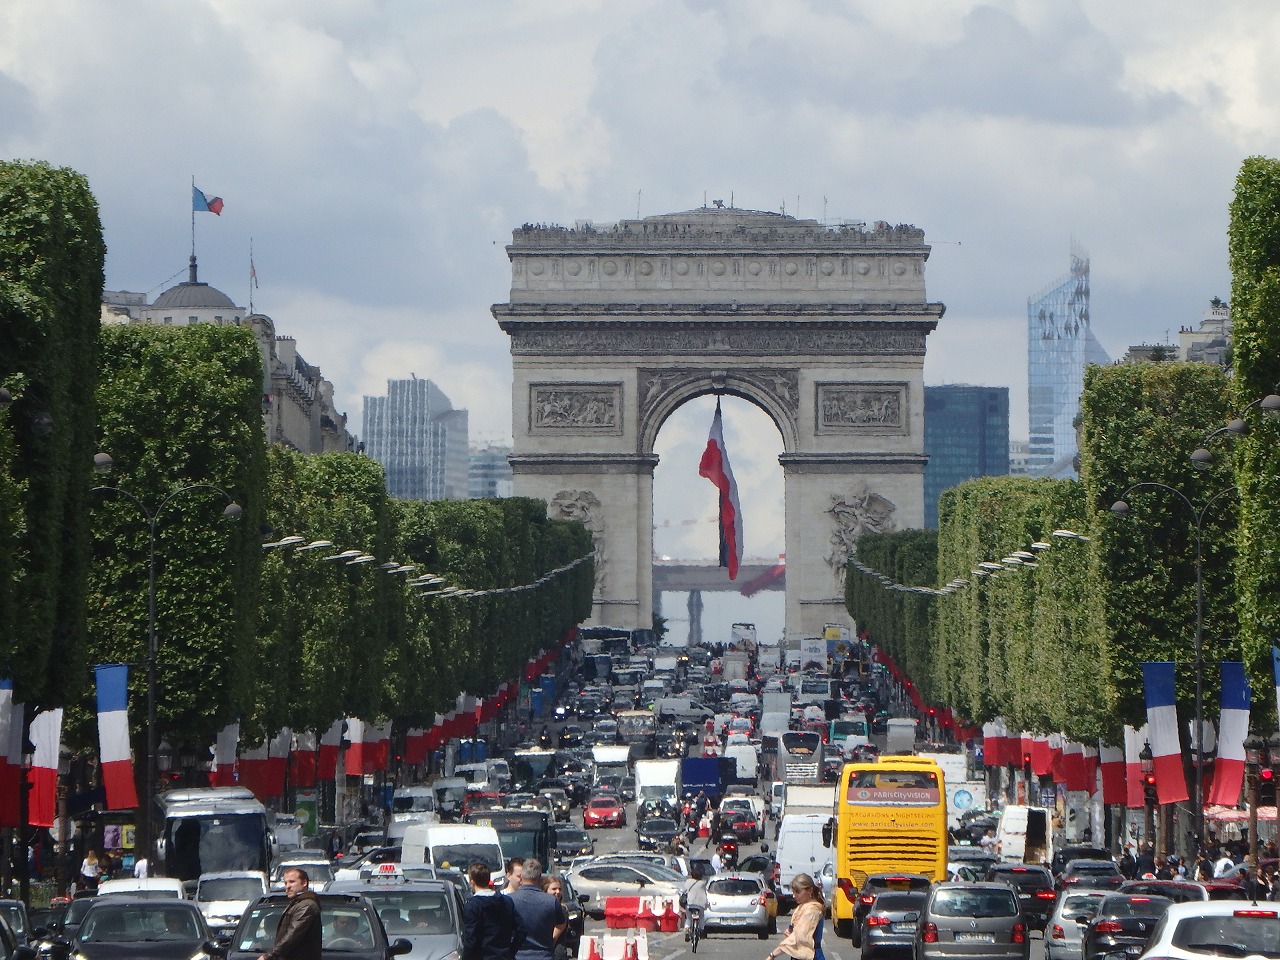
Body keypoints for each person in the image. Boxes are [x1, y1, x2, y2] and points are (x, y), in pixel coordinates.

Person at [462, 861, 525, 960]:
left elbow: (471, 939)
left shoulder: (472, 906)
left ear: (472, 882)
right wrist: (510, 952)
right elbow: (521, 931)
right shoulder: (507, 901)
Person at [258, 867, 321, 960]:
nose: (287, 886)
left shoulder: (307, 906)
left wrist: (268, 956)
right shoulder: (298, 904)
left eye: (292, 882)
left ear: (304, 883)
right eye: (285, 883)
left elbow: (292, 935)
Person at [509, 859, 567, 960]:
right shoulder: (551, 902)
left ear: (521, 877)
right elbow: (561, 924)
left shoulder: (509, 900)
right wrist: (552, 940)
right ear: (540, 878)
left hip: (517, 956)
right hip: (544, 955)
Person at [767, 874, 825, 960]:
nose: (794, 896)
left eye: (798, 892)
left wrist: (772, 955)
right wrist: (790, 933)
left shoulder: (812, 910)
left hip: (812, 956)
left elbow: (800, 937)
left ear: (810, 891)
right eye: (793, 892)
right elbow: (795, 933)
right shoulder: (803, 907)